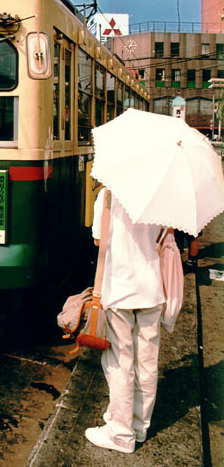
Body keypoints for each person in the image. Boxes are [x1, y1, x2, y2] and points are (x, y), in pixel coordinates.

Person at [86, 187, 165, 454]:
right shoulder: (159, 196)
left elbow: (98, 240)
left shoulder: (108, 194)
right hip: (152, 289)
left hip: (119, 289)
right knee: (147, 361)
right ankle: (140, 426)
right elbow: (161, 237)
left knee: (120, 363)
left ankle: (120, 434)